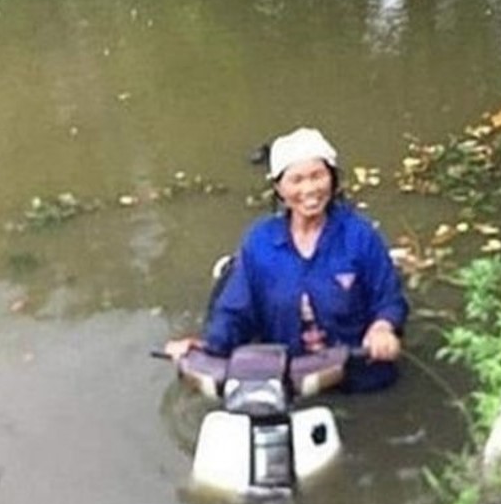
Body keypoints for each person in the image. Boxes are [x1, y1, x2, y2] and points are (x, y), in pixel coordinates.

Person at [165, 126, 409, 392]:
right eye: (297, 180)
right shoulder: (259, 243)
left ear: (333, 179)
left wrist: (382, 329)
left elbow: (389, 299)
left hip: (356, 373)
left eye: (318, 176)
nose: (310, 189)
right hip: (285, 379)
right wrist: (205, 349)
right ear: (279, 188)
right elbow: (234, 311)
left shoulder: (360, 235)